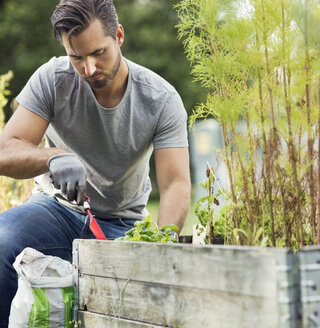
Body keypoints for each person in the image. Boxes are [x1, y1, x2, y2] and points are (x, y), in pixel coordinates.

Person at [0, 0, 191, 325]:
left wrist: (160, 246)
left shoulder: (161, 99)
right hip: (55, 211)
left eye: (98, 53)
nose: (88, 68)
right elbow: (6, 151)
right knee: (3, 242)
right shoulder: (52, 78)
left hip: (123, 223)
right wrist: (54, 157)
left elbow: (175, 183)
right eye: (77, 57)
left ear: (118, 36)